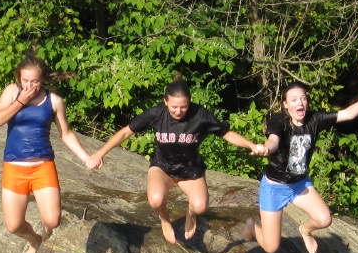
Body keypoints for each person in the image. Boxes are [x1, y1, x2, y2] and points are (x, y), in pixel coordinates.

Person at [92, 78, 267, 244]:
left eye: (183, 107)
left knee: (200, 207)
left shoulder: (200, 115)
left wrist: (251, 145)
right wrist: (100, 153)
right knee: (155, 200)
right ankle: (165, 218)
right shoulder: (156, 113)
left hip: (190, 170)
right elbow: (125, 132)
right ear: (165, 102)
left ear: (189, 102)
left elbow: (226, 133)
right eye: (174, 107)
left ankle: (191, 214)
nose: (178, 111)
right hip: (163, 168)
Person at [243, 81, 358, 253]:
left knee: (324, 219)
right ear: (286, 105)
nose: (300, 103)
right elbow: (274, 140)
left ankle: (305, 230)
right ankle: (251, 225)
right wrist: (267, 148)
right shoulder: (278, 120)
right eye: (294, 100)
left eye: (303, 98)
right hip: (275, 188)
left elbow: (347, 114)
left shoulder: (314, 119)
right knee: (271, 247)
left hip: (299, 184)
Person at [0, 55, 100, 253]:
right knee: (13, 226)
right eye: (25, 81)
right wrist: (21, 101)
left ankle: (46, 231)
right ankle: (34, 240)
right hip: (14, 166)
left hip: (42, 167)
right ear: (19, 78)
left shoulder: (54, 101)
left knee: (52, 220)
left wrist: (86, 158)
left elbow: (66, 134)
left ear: (42, 79)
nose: (30, 85)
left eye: (35, 81)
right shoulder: (12, 92)